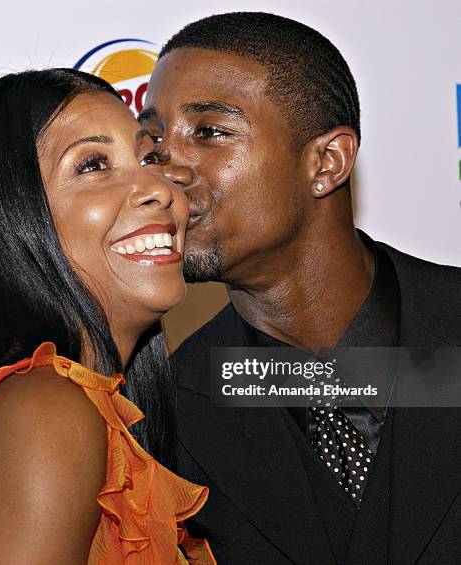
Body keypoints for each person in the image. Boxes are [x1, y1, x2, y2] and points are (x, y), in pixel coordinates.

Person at [139, 12, 461, 564]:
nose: (166, 168)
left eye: (210, 132)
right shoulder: (161, 419)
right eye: (153, 143)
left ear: (327, 162)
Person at [0, 69, 216, 564]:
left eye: (148, 158)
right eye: (94, 164)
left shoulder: (64, 409)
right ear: (9, 217)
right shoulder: (45, 411)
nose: (159, 188)